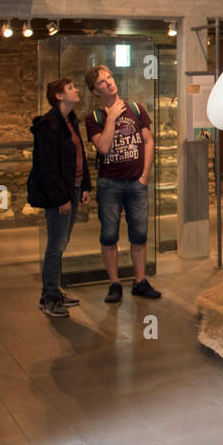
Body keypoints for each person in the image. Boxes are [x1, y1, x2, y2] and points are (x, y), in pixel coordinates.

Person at [84, 65, 162, 302]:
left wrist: (144, 176)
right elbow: (104, 147)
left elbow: (148, 142)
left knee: (139, 234)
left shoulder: (136, 109)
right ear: (96, 92)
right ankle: (114, 283)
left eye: (109, 77)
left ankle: (140, 281)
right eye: (101, 82)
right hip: (110, 185)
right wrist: (112, 118)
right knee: (109, 235)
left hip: (136, 183)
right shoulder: (94, 118)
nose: (108, 83)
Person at [28, 77, 92, 318]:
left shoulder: (69, 121)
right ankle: (49, 297)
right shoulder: (49, 125)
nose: (76, 90)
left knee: (61, 242)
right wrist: (61, 198)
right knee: (55, 245)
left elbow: (80, 155)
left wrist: (84, 185)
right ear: (59, 96)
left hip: (72, 191)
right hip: (61, 195)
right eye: (70, 88)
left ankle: (54, 290)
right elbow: (48, 167)